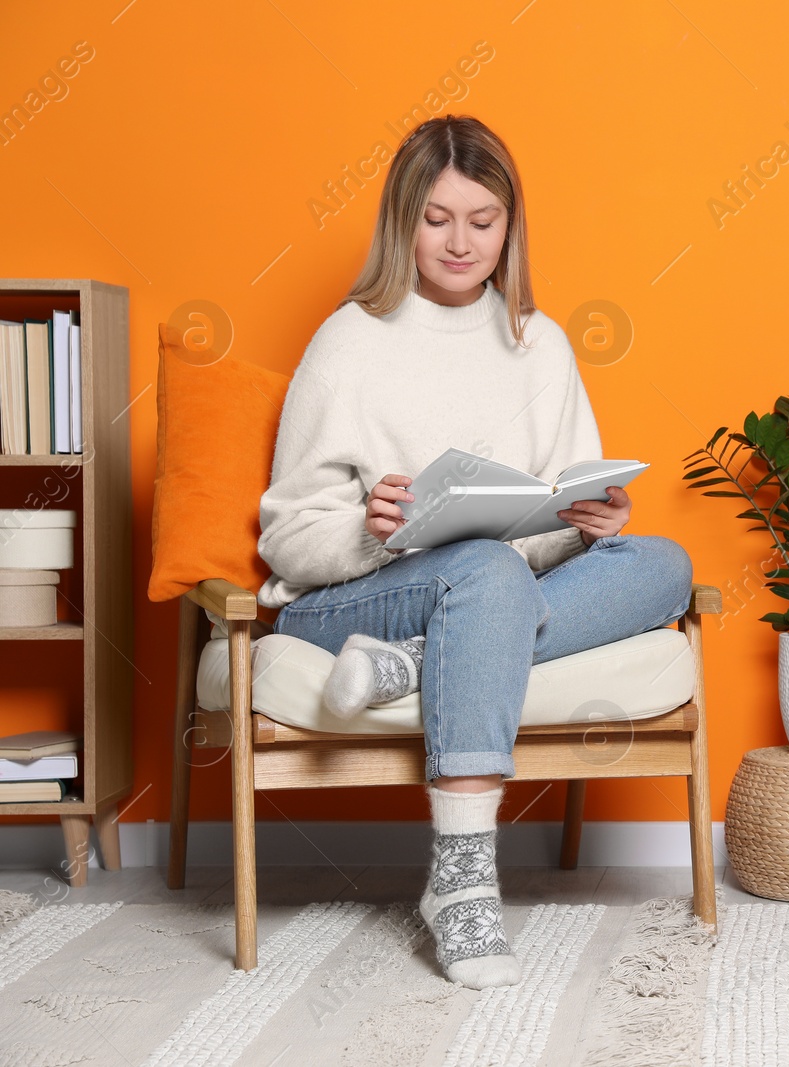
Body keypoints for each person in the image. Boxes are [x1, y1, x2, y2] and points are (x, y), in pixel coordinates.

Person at [255, 114, 694, 989]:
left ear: (510, 226)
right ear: (403, 221)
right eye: (437, 218)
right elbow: (285, 538)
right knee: (487, 569)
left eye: (482, 221)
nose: (461, 242)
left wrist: (589, 520)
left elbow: (559, 509)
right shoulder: (349, 341)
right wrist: (368, 527)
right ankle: (461, 879)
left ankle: (414, 666)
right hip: (355, 596)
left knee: (664, 563)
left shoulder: (542, 342)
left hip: (486, 588)